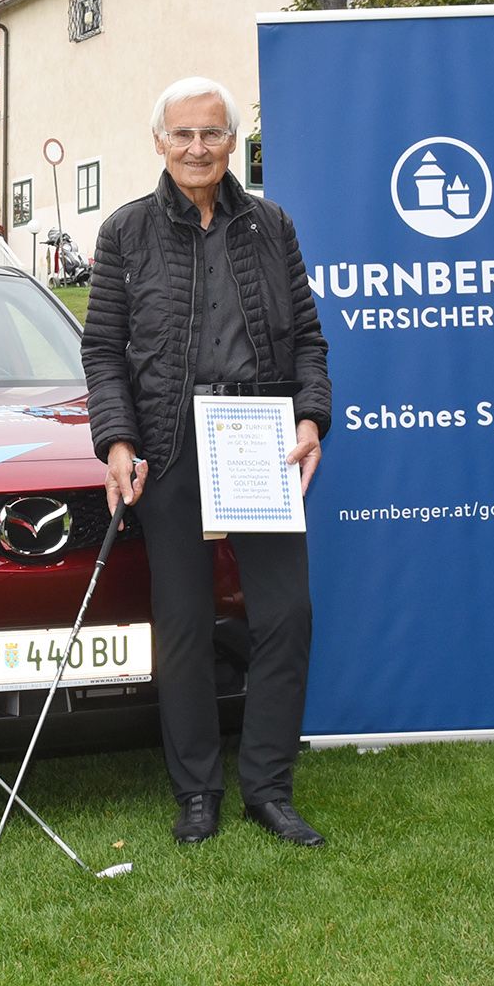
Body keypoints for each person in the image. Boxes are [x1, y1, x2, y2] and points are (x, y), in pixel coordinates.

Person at [82, 76, 332, 848]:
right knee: (184, 625)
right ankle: (197, 791)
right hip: (170, 441)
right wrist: (118, 440)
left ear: (234, 142)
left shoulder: (272, 224)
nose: (198, 148)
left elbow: (310, 341)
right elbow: (102, 351)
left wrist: (312, 417)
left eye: (213, 134)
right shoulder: (124, 232)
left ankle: (268, 785)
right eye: (183, 134)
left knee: (286, 616)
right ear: (159, 141)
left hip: (258, 436)